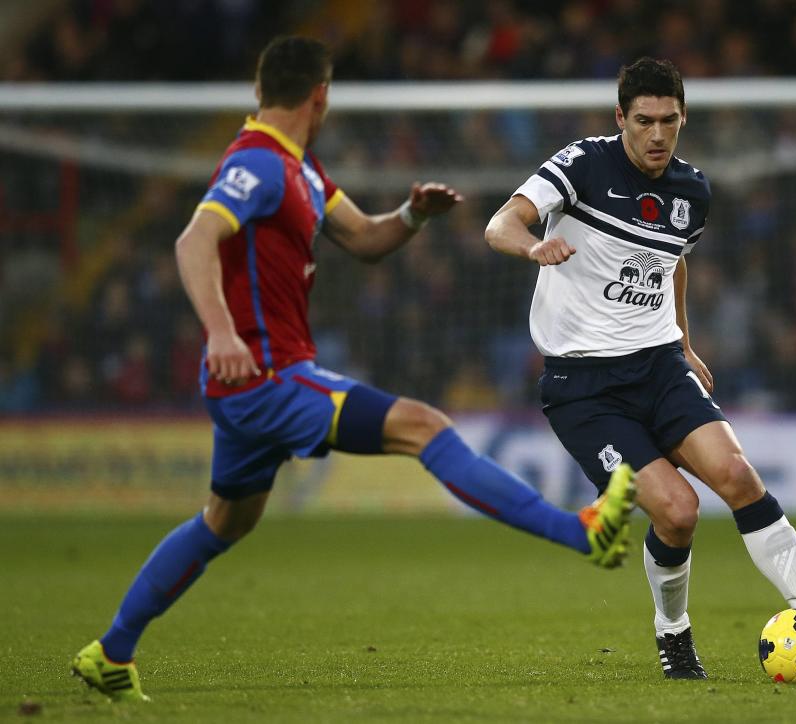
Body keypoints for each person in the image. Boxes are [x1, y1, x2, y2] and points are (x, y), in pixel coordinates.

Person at [70, 36, 637, 703]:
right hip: (269, 376)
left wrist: (410, 217)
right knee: (423, 427)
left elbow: (365, 238)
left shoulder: (300, 169)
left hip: (254, 386)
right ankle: (579, 530)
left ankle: (110, 652)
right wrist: (221, 331)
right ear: (321, 95)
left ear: (262, 89)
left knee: (226, 520)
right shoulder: (257, 164)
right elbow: (195, 238)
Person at [484, 57, 796, 679]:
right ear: (621, 119)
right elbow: (499, 222)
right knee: (678, 510)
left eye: (670, 121)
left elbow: (673, 262)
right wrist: (534, 244)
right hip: (585, 387)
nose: (658, 135)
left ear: (683, 117)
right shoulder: (581, 165)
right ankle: (673, 633)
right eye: (644, 121)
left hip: (660, 365)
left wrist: (685, 343)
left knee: (739, 477)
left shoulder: (693, 190)